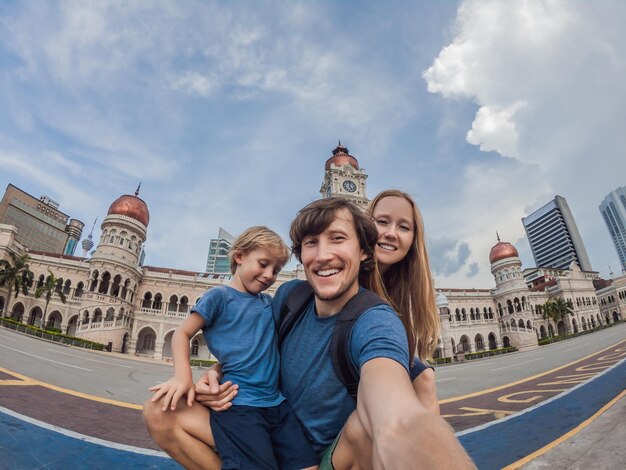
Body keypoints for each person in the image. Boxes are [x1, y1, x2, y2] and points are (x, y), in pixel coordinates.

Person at [194, 197, 474, 469]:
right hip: (273, 422)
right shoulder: (290, 296)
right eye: (311, 242)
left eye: (338, 238)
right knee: (162, 411)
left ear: (364, 248)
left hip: (328, 445)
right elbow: (255, 340)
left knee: (389, 408)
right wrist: (221, 371)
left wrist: (410, 436)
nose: (323, 255)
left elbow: (396, 412)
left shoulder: (378, 315)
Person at [145, 226, 318, 470]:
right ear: (239, 256)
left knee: (308, 465)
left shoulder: (268, 303)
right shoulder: (218, 297)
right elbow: (182, 333)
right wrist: (183, 377)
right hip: (240, 406)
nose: (269, 274)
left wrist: (215, 369)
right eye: (263, 263)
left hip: (277, 404)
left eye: (276, 270)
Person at [367, 189, 441, 415]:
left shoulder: (403, 284)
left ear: (413, 240)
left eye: (404, 227)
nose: (391, 233)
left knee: (425, 377)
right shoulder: (348, 270)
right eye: (382, 222)